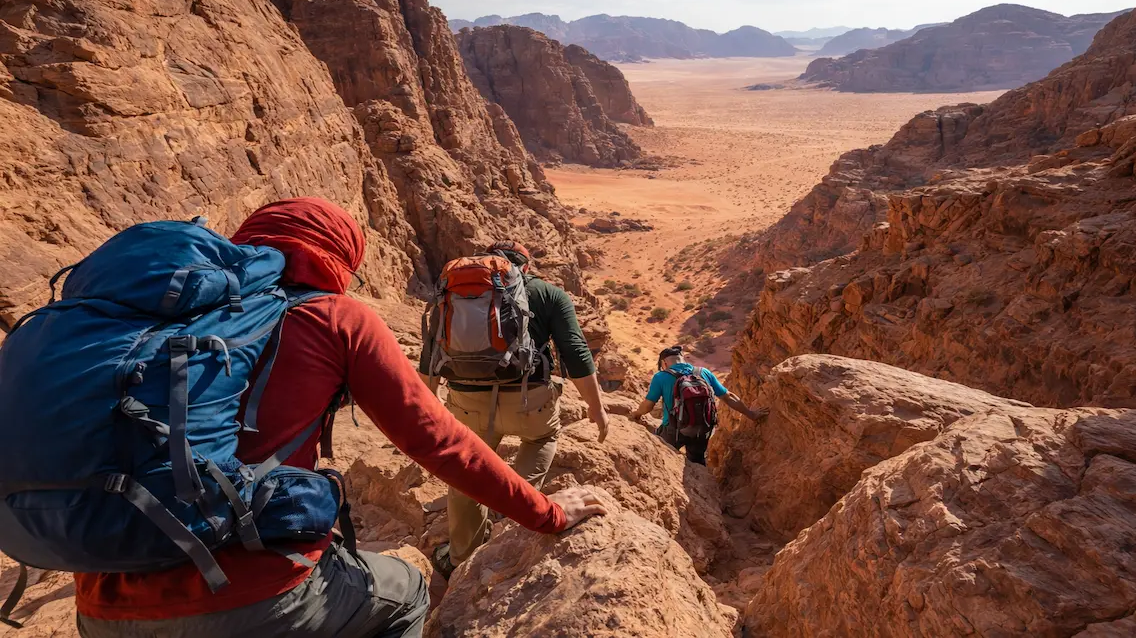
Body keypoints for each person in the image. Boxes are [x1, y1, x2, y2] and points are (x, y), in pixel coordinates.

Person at [72, 198, 605, 638]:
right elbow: (436, 441)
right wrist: (548, 515)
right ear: (338, 258)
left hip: (101, 601)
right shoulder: (333, 318)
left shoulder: (144, 319)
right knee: (408, 594)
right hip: (252, 593)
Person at [420, 242, 609, 577]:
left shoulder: (456, 291)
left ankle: (461, 557)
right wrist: (596, 408)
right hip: (528, 402)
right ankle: (512, 511)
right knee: (542, 439)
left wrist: (428, 400)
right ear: (527, 265)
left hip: (467, 402)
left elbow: (431, 350)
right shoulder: (548, 293)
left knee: (466, 469)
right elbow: (575, 351)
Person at [631, 345, 767, 465]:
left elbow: (648, 405)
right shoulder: (703, 373)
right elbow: (728, 397)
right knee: (697, 462)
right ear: (682, 358)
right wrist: (752, 414)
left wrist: (636, 414)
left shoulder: (661, 377)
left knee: (659, 453)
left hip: (673, 430)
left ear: (664, 363)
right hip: (702, 428)